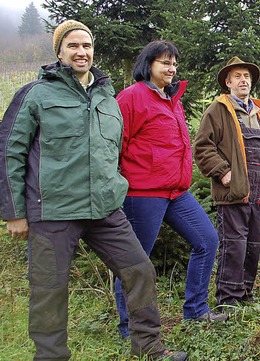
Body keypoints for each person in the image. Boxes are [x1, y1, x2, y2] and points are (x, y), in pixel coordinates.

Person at [0, 20, 186, 360]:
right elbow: (9, 151)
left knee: (139, 270)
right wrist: (14, 212)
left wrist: (117, 187)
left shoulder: (107, 97)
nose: (81, 51)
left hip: (104, 209)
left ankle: (148, 347)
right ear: (59, 52)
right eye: (72, 46)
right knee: (49, 291)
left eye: (86, 45)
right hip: (52, 211)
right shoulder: (35, 94)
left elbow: (114, 149)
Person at [114, 40, 226, 338]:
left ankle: (196, 310)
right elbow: (115, 144)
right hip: (142, 193)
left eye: (174, 63)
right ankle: (130, 328)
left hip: (176, 191)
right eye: (165, 62)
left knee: (206, 240)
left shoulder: (171, 98)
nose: (171, 68)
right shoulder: (131, 97)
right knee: (135, 261)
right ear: (148, 65)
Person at [194, 56, 260, 308]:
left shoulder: (258, 111)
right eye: (237, 77)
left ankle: (246, 295)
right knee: (234, 245)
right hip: (232, 187)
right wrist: (223, 172)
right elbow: (202, 146)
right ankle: (228, 300)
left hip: (256, 189)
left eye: (246, 76)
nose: (243, 80)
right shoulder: (218, 110)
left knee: (253, 244)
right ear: (228, 83)